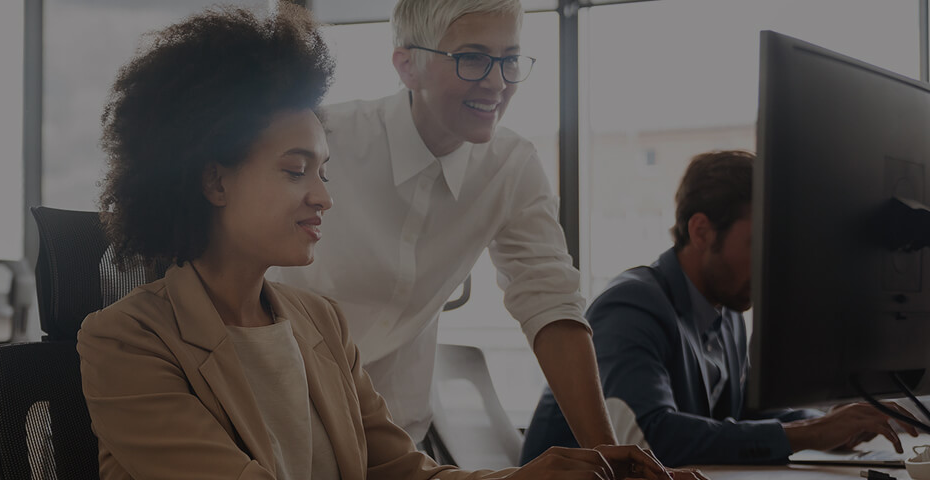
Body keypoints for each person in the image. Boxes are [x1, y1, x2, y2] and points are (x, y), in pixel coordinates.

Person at [77, 5, 675, 479]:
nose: (323, 198)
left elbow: (408, 472)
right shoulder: (125, 342)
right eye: (295, 171)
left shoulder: (321, 326)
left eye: (324, 172)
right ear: (213, 179)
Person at [267, 0, 626, 456]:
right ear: (407, 66)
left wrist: (608, 456)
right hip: (285, 433)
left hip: (396, 448)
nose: (496, 82)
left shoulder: (510, 167)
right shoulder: (327, 140)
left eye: (509, 59)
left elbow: (551, 301)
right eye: (472, 58)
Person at [520, 150, 922, 466]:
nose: (770, 269)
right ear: (701, 231)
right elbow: (652, 436)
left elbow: (743, 418)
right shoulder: (631, 306)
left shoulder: (726, 313)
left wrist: (833, 424)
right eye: (758, 245)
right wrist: (811, 433)